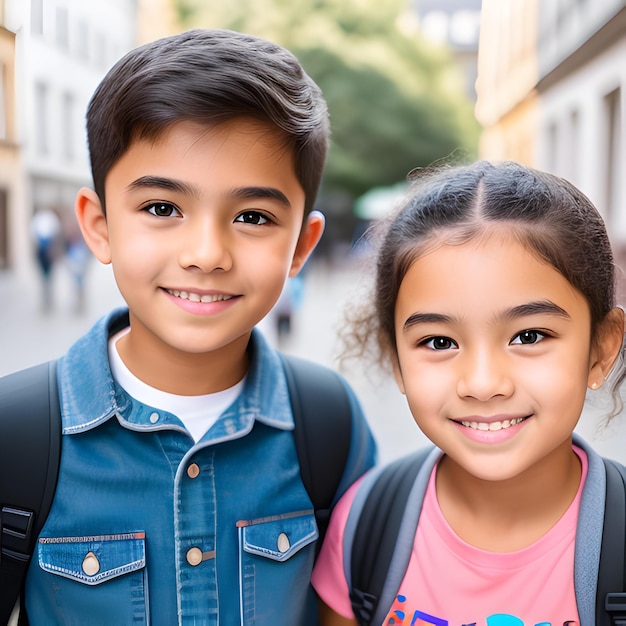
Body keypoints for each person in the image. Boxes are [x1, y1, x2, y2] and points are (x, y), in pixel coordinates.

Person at [11, 29, 376, 624]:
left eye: (253, 216)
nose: (207, 253)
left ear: (300, 247)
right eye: (162, 209)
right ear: (99, 225)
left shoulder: (329, 424)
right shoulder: (17, 434)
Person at [311, 160, 626, 625]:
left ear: (601, 348)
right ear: (395, 358)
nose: (482, 384)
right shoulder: (364, 523)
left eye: (530, 336)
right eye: (439, 342)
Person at [30, 207, 63, 312]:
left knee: (47, 276)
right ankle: (47, 295)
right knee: (47, 276)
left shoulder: (39, 219)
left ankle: (47, 295)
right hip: (45, 252)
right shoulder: (48, 219)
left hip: (46, 251)